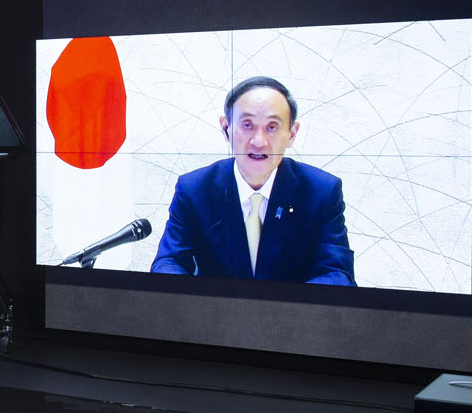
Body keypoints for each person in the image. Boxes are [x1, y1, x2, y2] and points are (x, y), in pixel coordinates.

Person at [150, 76, 354, 284]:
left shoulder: (321, 191)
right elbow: (168, 263)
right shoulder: (194, 189)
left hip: (292, 314)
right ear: (226, 128)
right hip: (215, 314)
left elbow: (336, 274)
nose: (259, 141)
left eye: (272, 127)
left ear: (291, 134)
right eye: (247, 125)